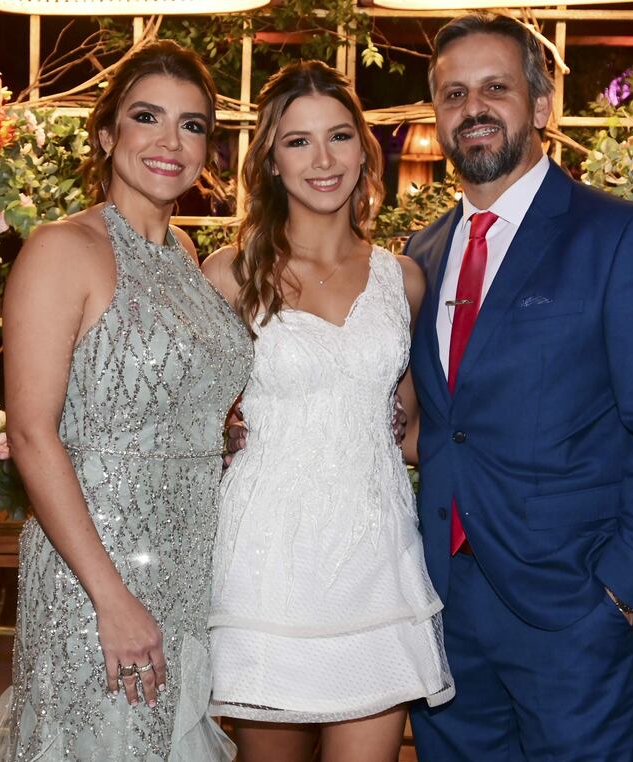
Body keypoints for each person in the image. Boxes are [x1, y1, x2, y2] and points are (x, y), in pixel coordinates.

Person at [404, 13, 633, 762]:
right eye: (453, 94)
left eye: (495, 88)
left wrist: (620, 591)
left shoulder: (620, 237)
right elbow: (435, 421)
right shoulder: (422, 252)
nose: (472, 108)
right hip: (441, 606)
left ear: (540, 106)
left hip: (574, 610)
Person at [0, 41, 251, 761]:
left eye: (193, 125)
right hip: (96, 581)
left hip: (187, 569)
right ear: (108, 134)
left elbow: (166, 404)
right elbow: (33, 434)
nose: (171, 143)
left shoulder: (188, 260)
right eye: (148, 118)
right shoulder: (60, 249)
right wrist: (110, 597)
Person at [202, 60, 454, 762]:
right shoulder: (228, 272)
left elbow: (404, 425)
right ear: (272, 161)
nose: (323, 159)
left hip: (375, 559)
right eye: (298, 141)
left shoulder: (401, 278)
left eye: (339, 137)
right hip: (265, 566)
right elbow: (190, 413)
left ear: (363, 151)